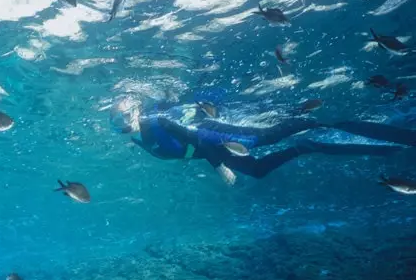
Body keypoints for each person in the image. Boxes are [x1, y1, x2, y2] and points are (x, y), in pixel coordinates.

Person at [110, 98, 415, 182]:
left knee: (268, 135)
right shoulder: (139, 140)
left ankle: (320, 118)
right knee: (257, 171)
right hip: (209, 152)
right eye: (117, 123)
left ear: (136, 112)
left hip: (218, 138)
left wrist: (219, 166)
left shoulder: (158, 121)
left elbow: (194, 138)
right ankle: (304, 146)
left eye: (125, 117)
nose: (123, 125)